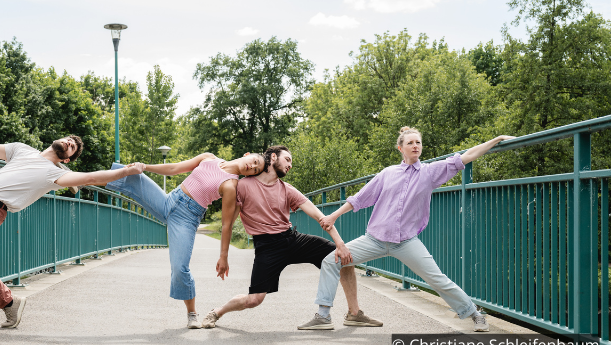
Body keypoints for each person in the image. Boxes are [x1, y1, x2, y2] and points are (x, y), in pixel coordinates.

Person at [309, 127, 515, 332]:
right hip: (374, 239)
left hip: (406, 242)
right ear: (400, 148)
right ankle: (323, 316)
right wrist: (334, 215)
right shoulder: (387, 173)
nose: (415, 146)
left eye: (418, 142)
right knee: (331, 260)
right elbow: (360, 198)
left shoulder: (430, 172)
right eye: (410, 143)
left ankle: (475, 314)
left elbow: (467, 156)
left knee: (437, 278)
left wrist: (496, 139)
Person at [0, 136, 145, 328]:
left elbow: (89, 178)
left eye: (73, 147)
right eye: (70, 139)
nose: (70, 142)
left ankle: (9, 302)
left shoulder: (53, 174)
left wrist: (126, 171)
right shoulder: (21, 150)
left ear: (66, 159)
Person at [201, 145, 382, 330]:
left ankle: (354, 313)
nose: (290, 165)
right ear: (272, 158)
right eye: (287, 159)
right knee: (254, 300)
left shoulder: (287, 189)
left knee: (343, 257)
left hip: (291, 239)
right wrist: (223, 256)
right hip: (266, 246)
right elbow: (228, 223)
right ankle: (217, 312)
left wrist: (340, 244)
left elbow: (321, 217)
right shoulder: (244, 186)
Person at [105, 152, 264, 329]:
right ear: (247, 155)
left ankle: (191, 313)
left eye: (255, 170)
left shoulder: (230, 186)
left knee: (180, 268)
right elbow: (174, 168)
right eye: (254, 161)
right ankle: (82, 180)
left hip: (186, 219)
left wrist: (223, 257)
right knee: (133, 174)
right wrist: (144, 166)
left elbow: (227, 225)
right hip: (168, 201)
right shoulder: (209, 158)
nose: (252, 167)